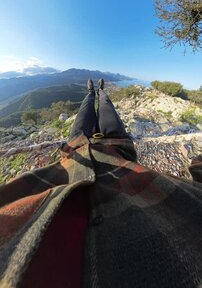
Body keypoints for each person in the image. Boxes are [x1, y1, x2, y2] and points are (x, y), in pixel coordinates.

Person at [0, 79, 202, 288]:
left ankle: (91, 92)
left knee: (87, 108)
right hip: (116, 147)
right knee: (106, 105)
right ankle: (101, 91)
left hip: (77, 148)